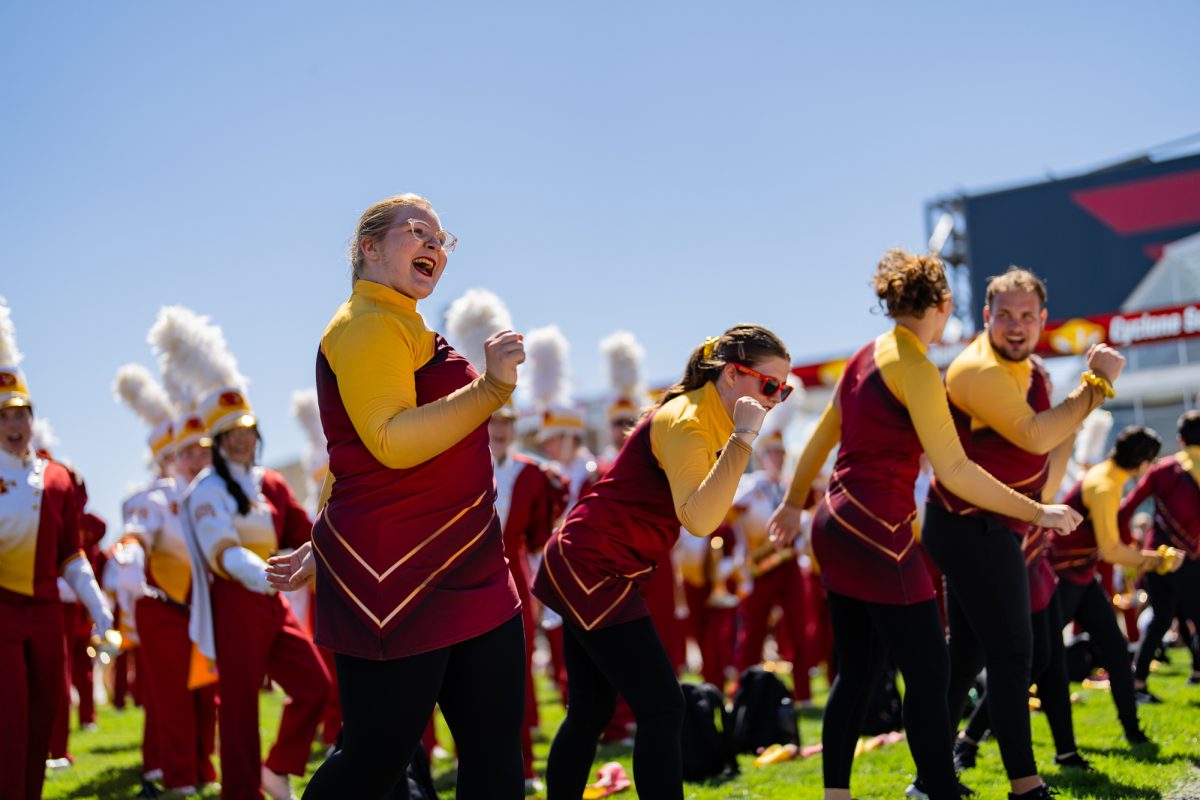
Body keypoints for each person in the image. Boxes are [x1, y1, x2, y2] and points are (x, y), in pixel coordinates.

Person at [767, 250, 1082, 800]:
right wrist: (1038, 512)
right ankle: (936, 785)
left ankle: (837, 794)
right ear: (944, 305)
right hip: (876, 530)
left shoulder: (865, 354)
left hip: (832, 523)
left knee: (859, 669)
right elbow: (956, 470)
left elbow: (821, 439)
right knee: (931, 669)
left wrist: (794, 504)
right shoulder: (917, 370)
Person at [268, 194, 528, 800]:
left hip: (471, 561)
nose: (435, 246)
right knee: (377, 756)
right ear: (369, 248)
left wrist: (317, 540)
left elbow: (346, 457)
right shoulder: (364, 323)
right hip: (397, 571)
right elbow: (387, 442)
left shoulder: (402, 321)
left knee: (495, 753)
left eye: (442, 239)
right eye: (418, 233)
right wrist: (490, 387)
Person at [532, 323, 790, 800]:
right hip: (594, 565)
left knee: (591, 709)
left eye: (784, 389)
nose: (776, 397)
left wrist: (740, 438)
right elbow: (700, 519)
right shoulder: (690, 420)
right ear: (734, 374)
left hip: (595, 563)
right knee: (662, 706)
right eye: (770, 384)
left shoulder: (710, 418)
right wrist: (744, 441)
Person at [918, 267, 1124, 783]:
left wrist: (1072, 424)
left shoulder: (1034, 372)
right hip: (969, 526)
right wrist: (1095, 386)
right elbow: (1035, 436)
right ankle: (1025, 787)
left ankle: (932, 775)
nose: (1016, 325)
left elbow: (1047, 468)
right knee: (1017, 655)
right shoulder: (975, 369)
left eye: (1027, 316)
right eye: (1005, 315)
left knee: (974, 658)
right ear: (985, 317)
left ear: (1042, 321)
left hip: (1003, 527)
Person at [156, 304, 331, 800]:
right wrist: (269, 576)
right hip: (236, 603)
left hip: (272, 602)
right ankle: (240, 792)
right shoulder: (205, 490)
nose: (240, 441)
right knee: (239, 709)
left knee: (315, 686)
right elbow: (224, 555)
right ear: (217, 440)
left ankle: (277, 769)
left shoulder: (271, 482)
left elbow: (308, 530)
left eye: (246, 433)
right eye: (230, 434)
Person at [0, 297, 114, 800]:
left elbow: (71, 553)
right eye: (3, 413)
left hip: (46, 610)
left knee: (46, 713)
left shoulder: (58, 478)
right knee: (11, 715)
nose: (13, 422)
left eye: (21, 412)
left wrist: (98, 604)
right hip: (2, 610)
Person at [113, 362, 219, 795]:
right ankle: (178, 778)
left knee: (205, 695)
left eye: (204, 450)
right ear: (173, 458)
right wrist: (132, 551)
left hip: (205, 610)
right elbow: (135, 531)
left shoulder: (219, 496)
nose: (196, 459)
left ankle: (203, 769)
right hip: (162, 607)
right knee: (173, 697)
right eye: (187, 452)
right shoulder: (155, 498)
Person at [1048, 425, 1182, 742]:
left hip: (1081, 577)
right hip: (1063, 578)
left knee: (1118, 655)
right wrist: (1158, 560)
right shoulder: (1105, 484)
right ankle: (969, 742)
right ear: (1143, 462)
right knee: (1035, 662)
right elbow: (1111, 550)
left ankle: (1133, 732)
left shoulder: (1106, 477)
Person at [1121, 410, 1200, 698]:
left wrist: (1126, 547)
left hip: (1156, 558)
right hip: (1192, 559)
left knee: (1160, 619)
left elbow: (1127, 508)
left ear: (1180, 440)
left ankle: (1138, 683)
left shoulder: (1161, 470)